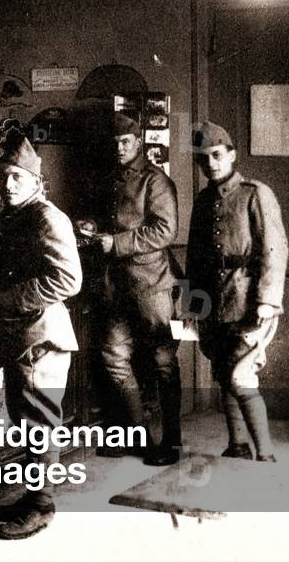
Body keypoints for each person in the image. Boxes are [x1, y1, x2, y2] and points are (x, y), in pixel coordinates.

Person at [0, 134, 82, 540]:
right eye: (4, 177)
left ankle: (41, 506)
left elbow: (68, 278)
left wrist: (11, 298)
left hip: (42, 337)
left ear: (36, 182)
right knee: (27, 420)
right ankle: (33, 495)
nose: (8, 185)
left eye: (17, 178)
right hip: (22, 336)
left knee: (40, 422)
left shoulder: (46, 217)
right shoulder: (14, 215)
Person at [186, 121, 287, 462]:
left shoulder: (255, 193)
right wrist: (193, 307)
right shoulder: (203, 201)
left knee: (240, 375)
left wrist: (267, 301)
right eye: (203, 159)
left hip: (248, 300)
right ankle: (238, 446)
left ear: (232, 155)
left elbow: (275, 250)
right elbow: (195, 259)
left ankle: (266, 454)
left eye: (216, 155)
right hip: (215, 303)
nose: (210, 164)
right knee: (223, 374)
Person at [92, 113, 181, 466]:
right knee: (113, 357)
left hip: (151, 285)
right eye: (114, 144)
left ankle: (171, 442)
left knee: (162, 362)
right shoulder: (113, 179)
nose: (119, 148)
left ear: (138, 142)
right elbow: (117, 221)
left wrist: (115, 243)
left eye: (125, 142)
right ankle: (139, 435)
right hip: (117, 286)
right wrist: (94, 226)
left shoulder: (155, 180)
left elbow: (165, 231)